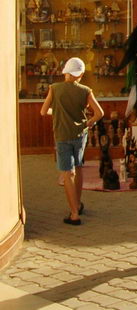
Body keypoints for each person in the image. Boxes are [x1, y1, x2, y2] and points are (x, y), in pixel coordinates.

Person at [39, 57, 104, 226]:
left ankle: (74, 213)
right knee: (78, 167)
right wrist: (89, 122)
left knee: (68, 173)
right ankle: (78, 203)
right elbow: (99, 113)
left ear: (65, 72)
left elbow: (43, 111)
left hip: (62, 135)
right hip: (80, 134)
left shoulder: (54, 88)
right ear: (80, 73)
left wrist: (58, 112)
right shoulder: (85, 90)